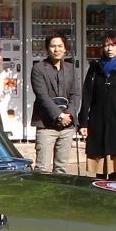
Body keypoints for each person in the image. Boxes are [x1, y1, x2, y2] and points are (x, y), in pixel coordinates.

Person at [79, 31, 116, 179]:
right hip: (97, 122)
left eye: (113, 45)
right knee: (99, 169)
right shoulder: (95, 69)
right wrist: (84, 122)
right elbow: (87, 96)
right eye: (106, 45)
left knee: (115, 168)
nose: (110, 49)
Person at [30, 34, 83, 174]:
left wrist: (69, 114)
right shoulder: (38, 68)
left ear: (65, 49)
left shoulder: (71, 68)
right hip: (46, 125)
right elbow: (42, 96)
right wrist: (60, 115)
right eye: (53, 46)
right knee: (42, 168)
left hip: (67, 126)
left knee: (61, 168)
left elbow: (76, 94)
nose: (57, 49)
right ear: (47, 49)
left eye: (60, 46)